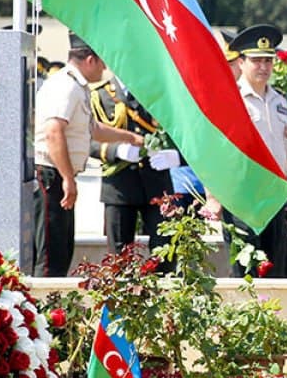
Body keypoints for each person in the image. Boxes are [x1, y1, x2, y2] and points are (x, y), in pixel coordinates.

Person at [32, 35, 142, 277]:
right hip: (52, 175)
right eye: (102, 62)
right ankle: (43, 313)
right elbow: (53, 131)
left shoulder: (77, 86)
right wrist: (67, 178)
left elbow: (92, 129)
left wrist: (129, 137)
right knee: (50, 257)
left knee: (62, 250)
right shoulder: (65, 86)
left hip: (59, 175)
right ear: (90, 59)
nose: (104, 69)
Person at [207, 24, 287, 277]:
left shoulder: (279, 100)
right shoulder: (229, 100)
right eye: (256, 60)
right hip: (241, 195)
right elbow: (212, 153)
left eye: (268, 61)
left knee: (275, 268)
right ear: (241, 63)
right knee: (245, 270)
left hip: (275, 195)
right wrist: (213, 196)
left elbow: (285, 149)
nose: (263, 67)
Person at [88, 54, 180, 258]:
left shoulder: (161, 94)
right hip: (119, 187)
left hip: (157, 185)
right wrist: (115, 151)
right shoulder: (98, 95)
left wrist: (177, 156)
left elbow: (185, 134)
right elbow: (84, 139)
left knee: (165, 252)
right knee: (119, 256)